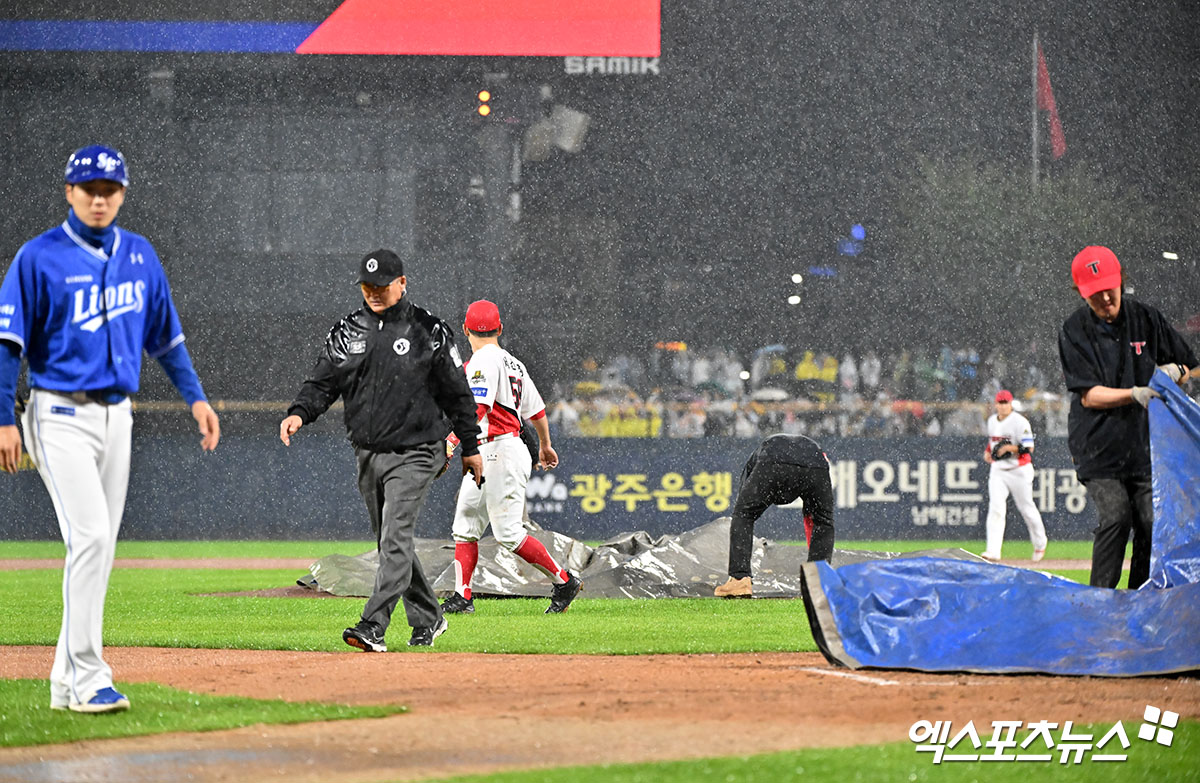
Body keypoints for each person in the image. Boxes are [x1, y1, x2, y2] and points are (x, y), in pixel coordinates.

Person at [0, 145, 221, 713]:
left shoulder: (140, 256)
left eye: (109, 189)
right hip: (57, 413)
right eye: (89, 189)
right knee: (92, 537)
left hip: (118, 416)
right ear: (69, 192)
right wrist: (4, 418)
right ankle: (90, 677)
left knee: (95, 545)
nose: (99, 199)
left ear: (122, 193)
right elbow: (8, 347)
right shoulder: (38, 257)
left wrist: (196, 398)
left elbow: (167, 339)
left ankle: (61, 679)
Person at [280, 249, 483, 650]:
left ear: (402, 283)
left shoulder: (429, 331)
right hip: (369, 452)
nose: (373, 292)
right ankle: (429, 616)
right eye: (367, 286)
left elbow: (458, 394)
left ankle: (373, 626)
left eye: (382, 285)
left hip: (420, 450)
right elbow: (323, 382)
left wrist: (470, 446)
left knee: (393, 539)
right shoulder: (347, 331)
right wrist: (299, 412)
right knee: (392, 543)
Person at [1057, 245, 1197, 589]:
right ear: (1080, 293)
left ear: (1122, 280)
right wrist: (1135, 393)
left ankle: (1140, 599)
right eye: (1095, 294)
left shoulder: (1145, 318)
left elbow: (1192, 366)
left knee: (1151, 522)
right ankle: (1099, 602)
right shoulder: (1074, 330)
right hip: (1097, 448)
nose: (1105, 298)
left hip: (1144, 447)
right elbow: (1089, 396)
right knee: (1116, 517)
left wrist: (1177, 371)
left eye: (1110, 287)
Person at [441, 300, 582, 615]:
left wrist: (452, 440)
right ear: (499, 329)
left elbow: (478, 408)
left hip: (500, 449)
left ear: (466, 330)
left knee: (508, 533)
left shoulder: (481, 361)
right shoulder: (513, 363)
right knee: (465, 524)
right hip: (494, 447)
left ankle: (564, 580)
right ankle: (463, 597)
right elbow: (537, 410)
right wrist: (545, 445)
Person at [714, 433, 835, 597]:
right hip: (816, 464)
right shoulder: (814, 453)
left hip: (774, 460)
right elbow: (815, 522)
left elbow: (743, 511)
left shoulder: (756, 461)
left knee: (743, 514)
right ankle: (818, 582)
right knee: (823, 521)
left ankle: (739, 580)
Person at [980, 389, 1048, 563]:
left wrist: (1009, 448)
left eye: (1006, 403)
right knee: (996, 509)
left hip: (1019, 469)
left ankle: (1040, 542)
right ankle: (993, 551)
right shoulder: (991, 421)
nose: (1003, 406)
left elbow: (1028, 448)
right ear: (996, 404)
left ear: (1010, 404)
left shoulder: (1020, 422)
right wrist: (988, 452)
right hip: (998, 470)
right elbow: (993, 442)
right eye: (1000, 403)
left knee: (1027, 509)